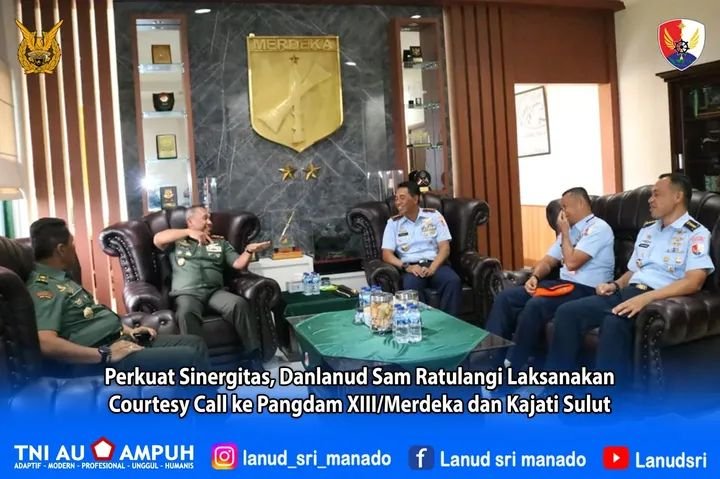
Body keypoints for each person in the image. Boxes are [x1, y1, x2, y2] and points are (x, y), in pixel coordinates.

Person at [547, 173, 714, 386]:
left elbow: (694, 281)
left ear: (677, 197)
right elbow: (634, 270)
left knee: (614, 322)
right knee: (568, 312)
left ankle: (608, 398)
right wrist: (615, 284)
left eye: (656, 194)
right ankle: (556, 389)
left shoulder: (696, 234)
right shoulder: (648, 229)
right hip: (628, 292)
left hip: (658, 298)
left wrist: (647, 299)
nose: (650, 200)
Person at [27, 218, 210, 372]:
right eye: (72, 243)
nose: (74, 248)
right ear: (61, 249)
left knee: (196, 343)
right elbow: (46, 343)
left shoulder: (63, 279)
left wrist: (129, 331)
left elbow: (91, 317)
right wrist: (105, 354)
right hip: (99, 358)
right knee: (189, 357)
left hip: (120, 341)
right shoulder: (43, 288)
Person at [485, 187, 615, 369]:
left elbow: (572, 263)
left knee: (537, 304)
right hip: (562, 285)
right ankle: (491, 359)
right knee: (505, 298)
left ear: (580, 203)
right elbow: (548, 261)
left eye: (565, 207)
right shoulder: (569, 231)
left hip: (586, 289)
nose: (562, 212)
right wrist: (535, 276)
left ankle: (513, 366)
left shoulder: (598, 228)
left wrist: (565, 233)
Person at [153, 205, 271, 361]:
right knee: (186, 312)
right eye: (205, 218)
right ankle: (197, 362)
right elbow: (157, 239)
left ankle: (253, 356)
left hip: (214, 292)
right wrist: (188, 232)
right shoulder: (177, 241)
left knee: (238, 304)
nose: (210, 222)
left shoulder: (219, 242)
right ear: (190, 221)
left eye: (210, 218)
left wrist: (248, 251)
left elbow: (238, 264)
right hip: (187, 294)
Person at [381, 181, 462, 315]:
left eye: (402, 198)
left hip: (436, 265)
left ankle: (449, 322)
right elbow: (386, 254)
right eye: (396, 199)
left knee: (453, 281)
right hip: (411, 268)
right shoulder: (393, 223)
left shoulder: (434, 216)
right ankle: (423, 323)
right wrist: (407, 267)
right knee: (411, 287)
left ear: (415, 198)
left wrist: (432, 268)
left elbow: (445, 248)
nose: (398, 202)